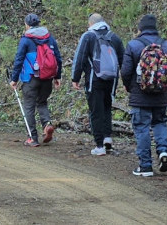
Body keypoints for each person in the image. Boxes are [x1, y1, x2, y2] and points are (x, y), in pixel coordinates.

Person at [120, 14, 167, 177]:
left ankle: (145, 166)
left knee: (142, 128)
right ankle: (163, 152)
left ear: (140, 29)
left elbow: (125, 71)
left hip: (140, 95)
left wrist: (129, 87)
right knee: (160, 123)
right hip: (162, 94)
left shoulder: (133, 45)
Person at [71, 13, 125, 156]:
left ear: (90, 24)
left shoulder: (88, 36)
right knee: (107, 108)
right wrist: (126, 82)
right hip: (111, 80)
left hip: (94, 80)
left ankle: (99, 145)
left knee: (95, 111)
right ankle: (107, 138)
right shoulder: (114, 37)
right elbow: (123, 60)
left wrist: (75, 78)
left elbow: (80, 58)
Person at [9, 13, 63, 147]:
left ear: (27, 25)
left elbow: (19, 60)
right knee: (42, 102)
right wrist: (57, 76)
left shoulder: (26, 40)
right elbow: (58, 58)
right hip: (47, 77)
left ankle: (32, 138)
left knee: (29, 107)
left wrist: (14, 79)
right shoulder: (49, 38)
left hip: (31, 78)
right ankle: (47, 125)